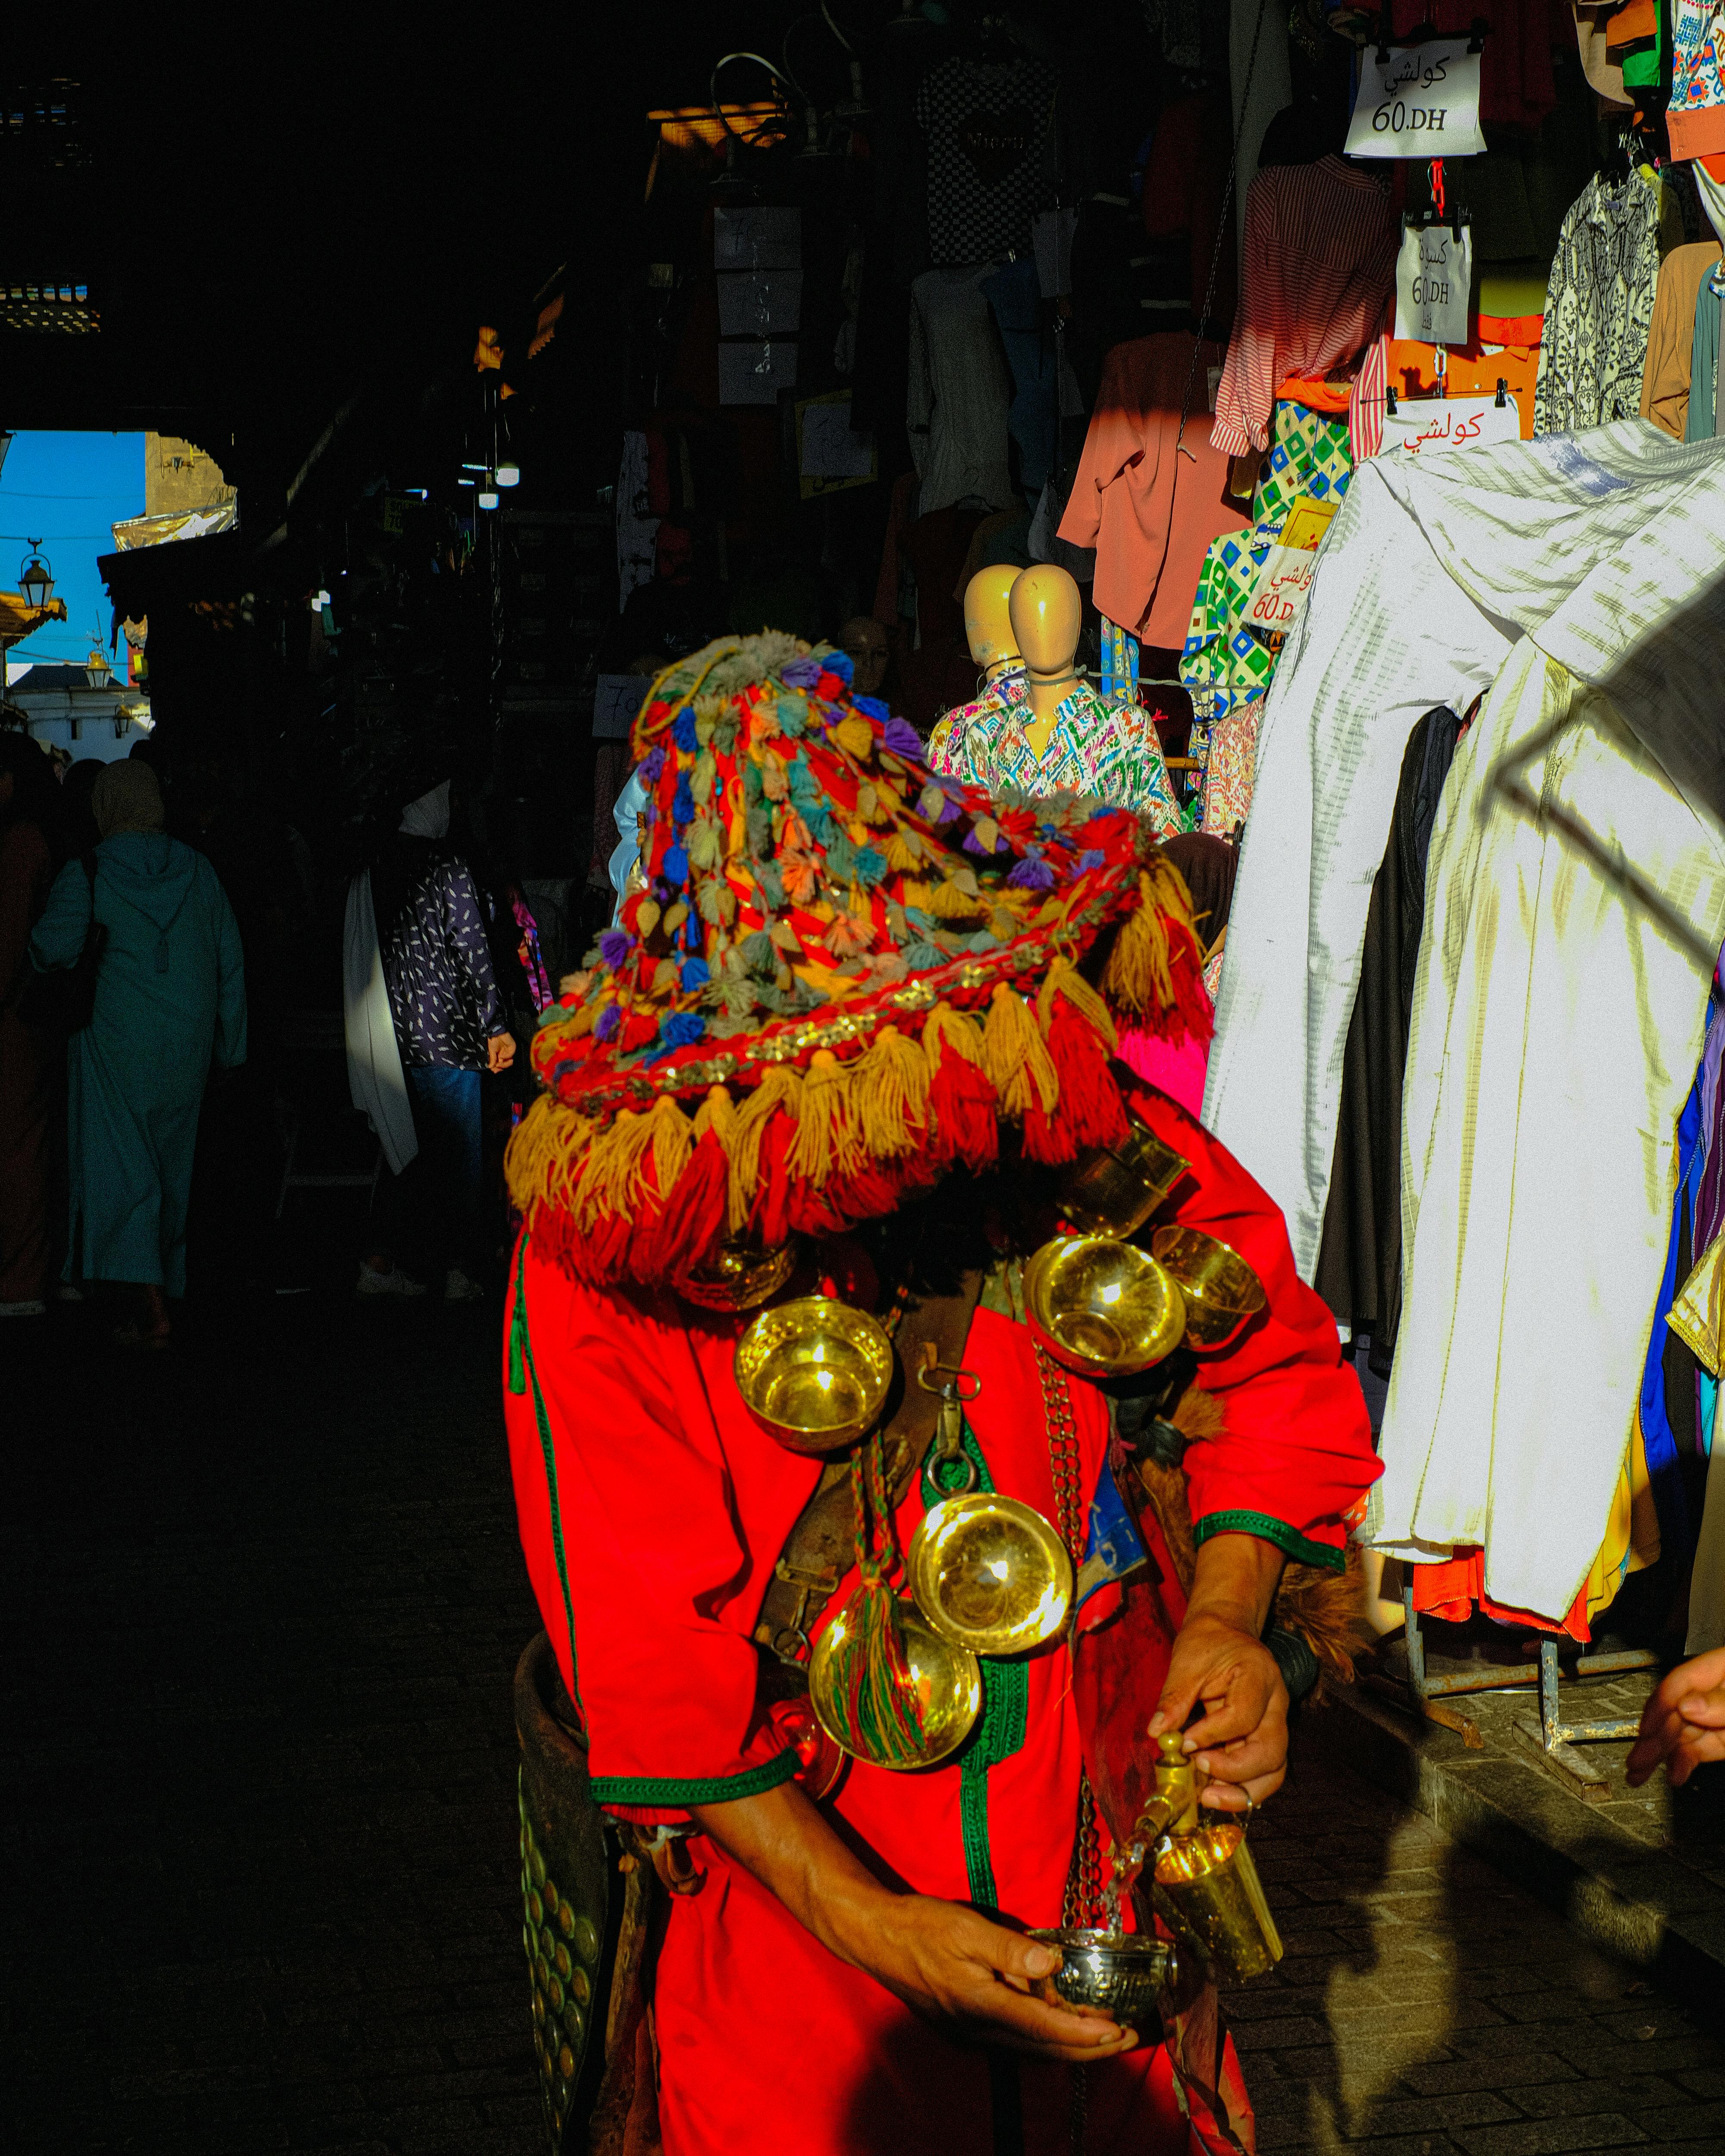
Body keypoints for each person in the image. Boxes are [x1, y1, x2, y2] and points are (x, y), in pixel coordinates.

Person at [501, 633, 1378, 2156]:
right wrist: (881, 1927)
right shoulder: (619, 1236)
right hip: (803, 1984)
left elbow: (1271, 1373)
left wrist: (1233, 1612)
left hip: (1107, 1887)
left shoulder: (1041, 1096)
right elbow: (643, 1655)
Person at [28, 761, 246, 1348]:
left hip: (116, 1044)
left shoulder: (90, 871)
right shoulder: (199, 871)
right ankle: (156, 1293)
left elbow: (52, 949)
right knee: (172, 1173)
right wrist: (231, 1044)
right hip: (188, 1047)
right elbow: (230, 961)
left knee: (124, 1172)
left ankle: (149, 1309)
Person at [347, 779, 514, 1301]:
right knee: (459, 1158)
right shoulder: (447, 865)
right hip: (449, 1033)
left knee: (406, 1151)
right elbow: (472, 950)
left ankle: (382, 1261)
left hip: (389, 1036)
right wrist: (496, 1024)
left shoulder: (373, 865)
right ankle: (457, 1269)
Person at [0, 734, 66, 1317]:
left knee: (19, 1148)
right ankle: (25, 1278)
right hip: (28, 1021)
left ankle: (20, 1280)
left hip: (14, 1020)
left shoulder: (20, 845)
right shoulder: (37, 840)